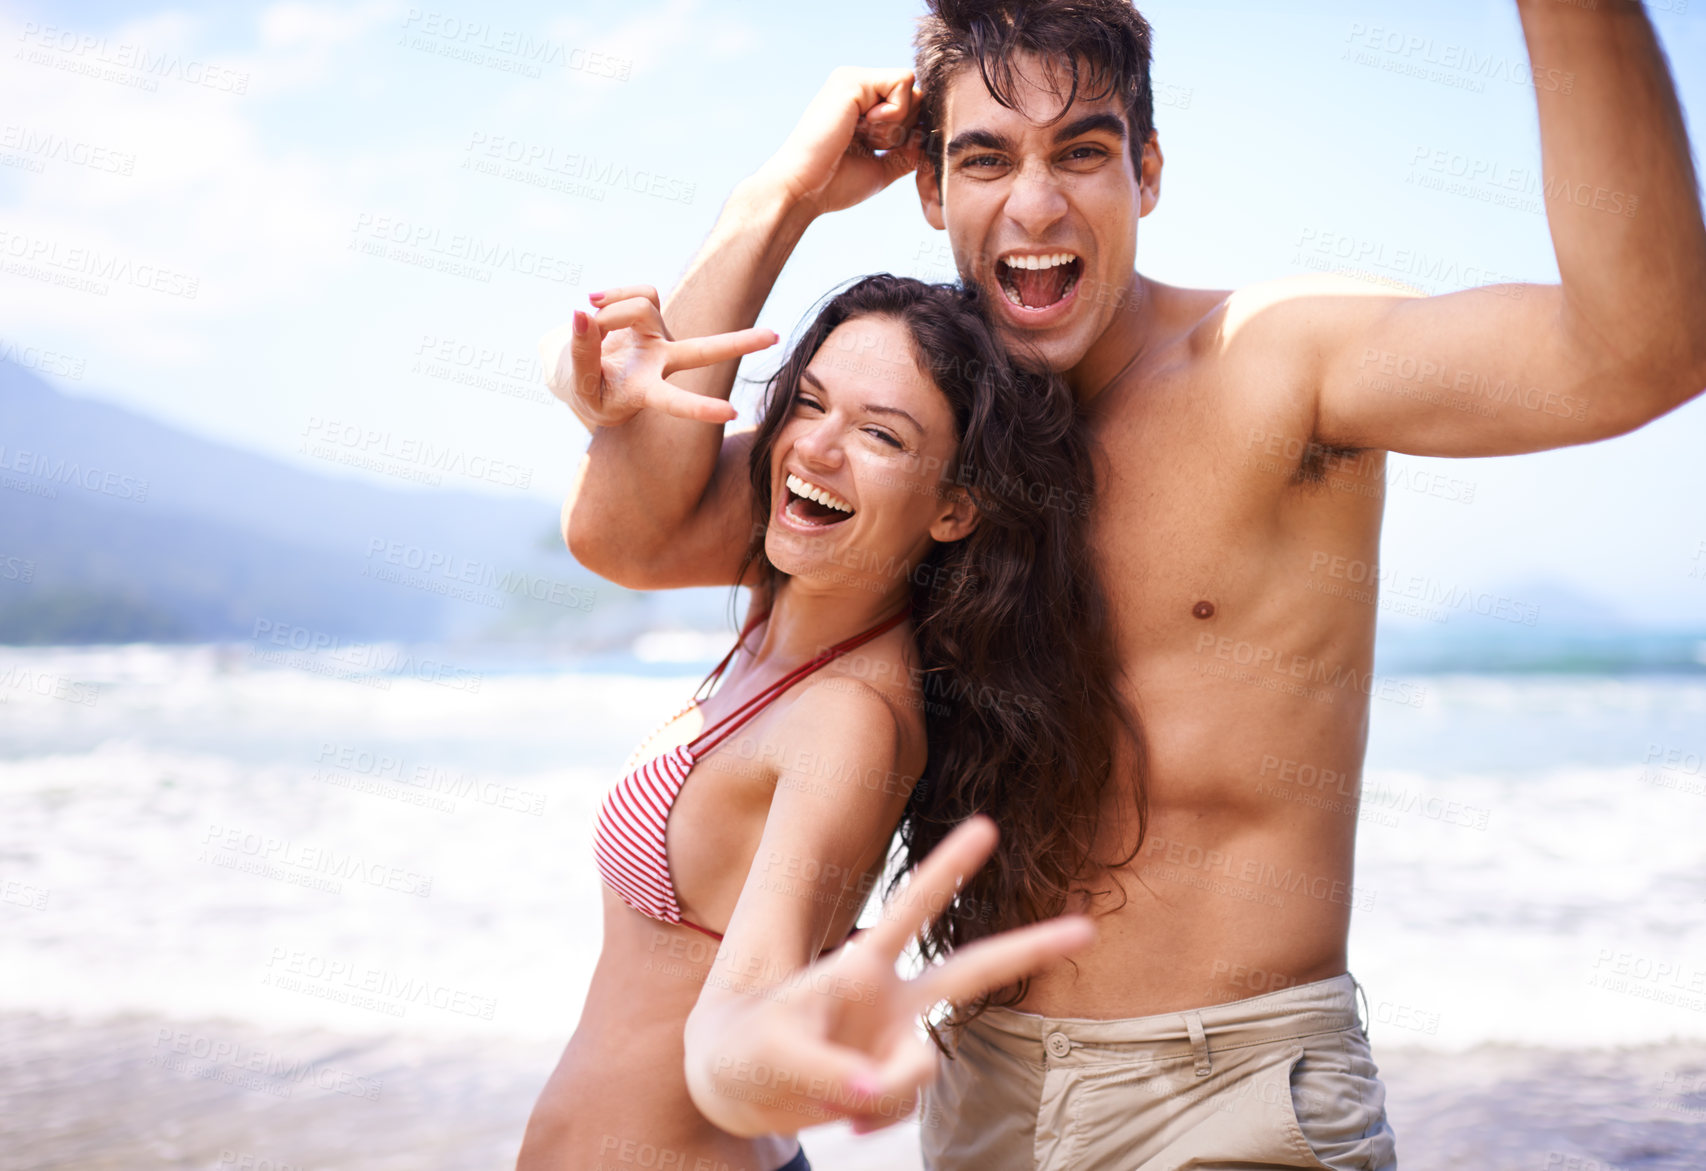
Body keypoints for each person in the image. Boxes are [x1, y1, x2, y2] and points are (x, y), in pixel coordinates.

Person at [548, 0, 1706, 1167]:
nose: (1037, 205)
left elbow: (1635, 352)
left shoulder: (1272, 363)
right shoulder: (929, 436)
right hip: (979, 1093)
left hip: (1224, 1093)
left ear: (1146, 172)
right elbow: (635, 533)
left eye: (1083, 152)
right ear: (932, 194)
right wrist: (779, 197)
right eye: (986, 157)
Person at [517, 274, 1125, 1170]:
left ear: (955, 505)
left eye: (881, 434)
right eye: (807, 402)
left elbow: (732, 1028)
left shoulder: (847, 717)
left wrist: (780, 1057)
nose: (818, 447)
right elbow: (624, 510)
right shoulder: (789, 607)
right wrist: (788, 190)